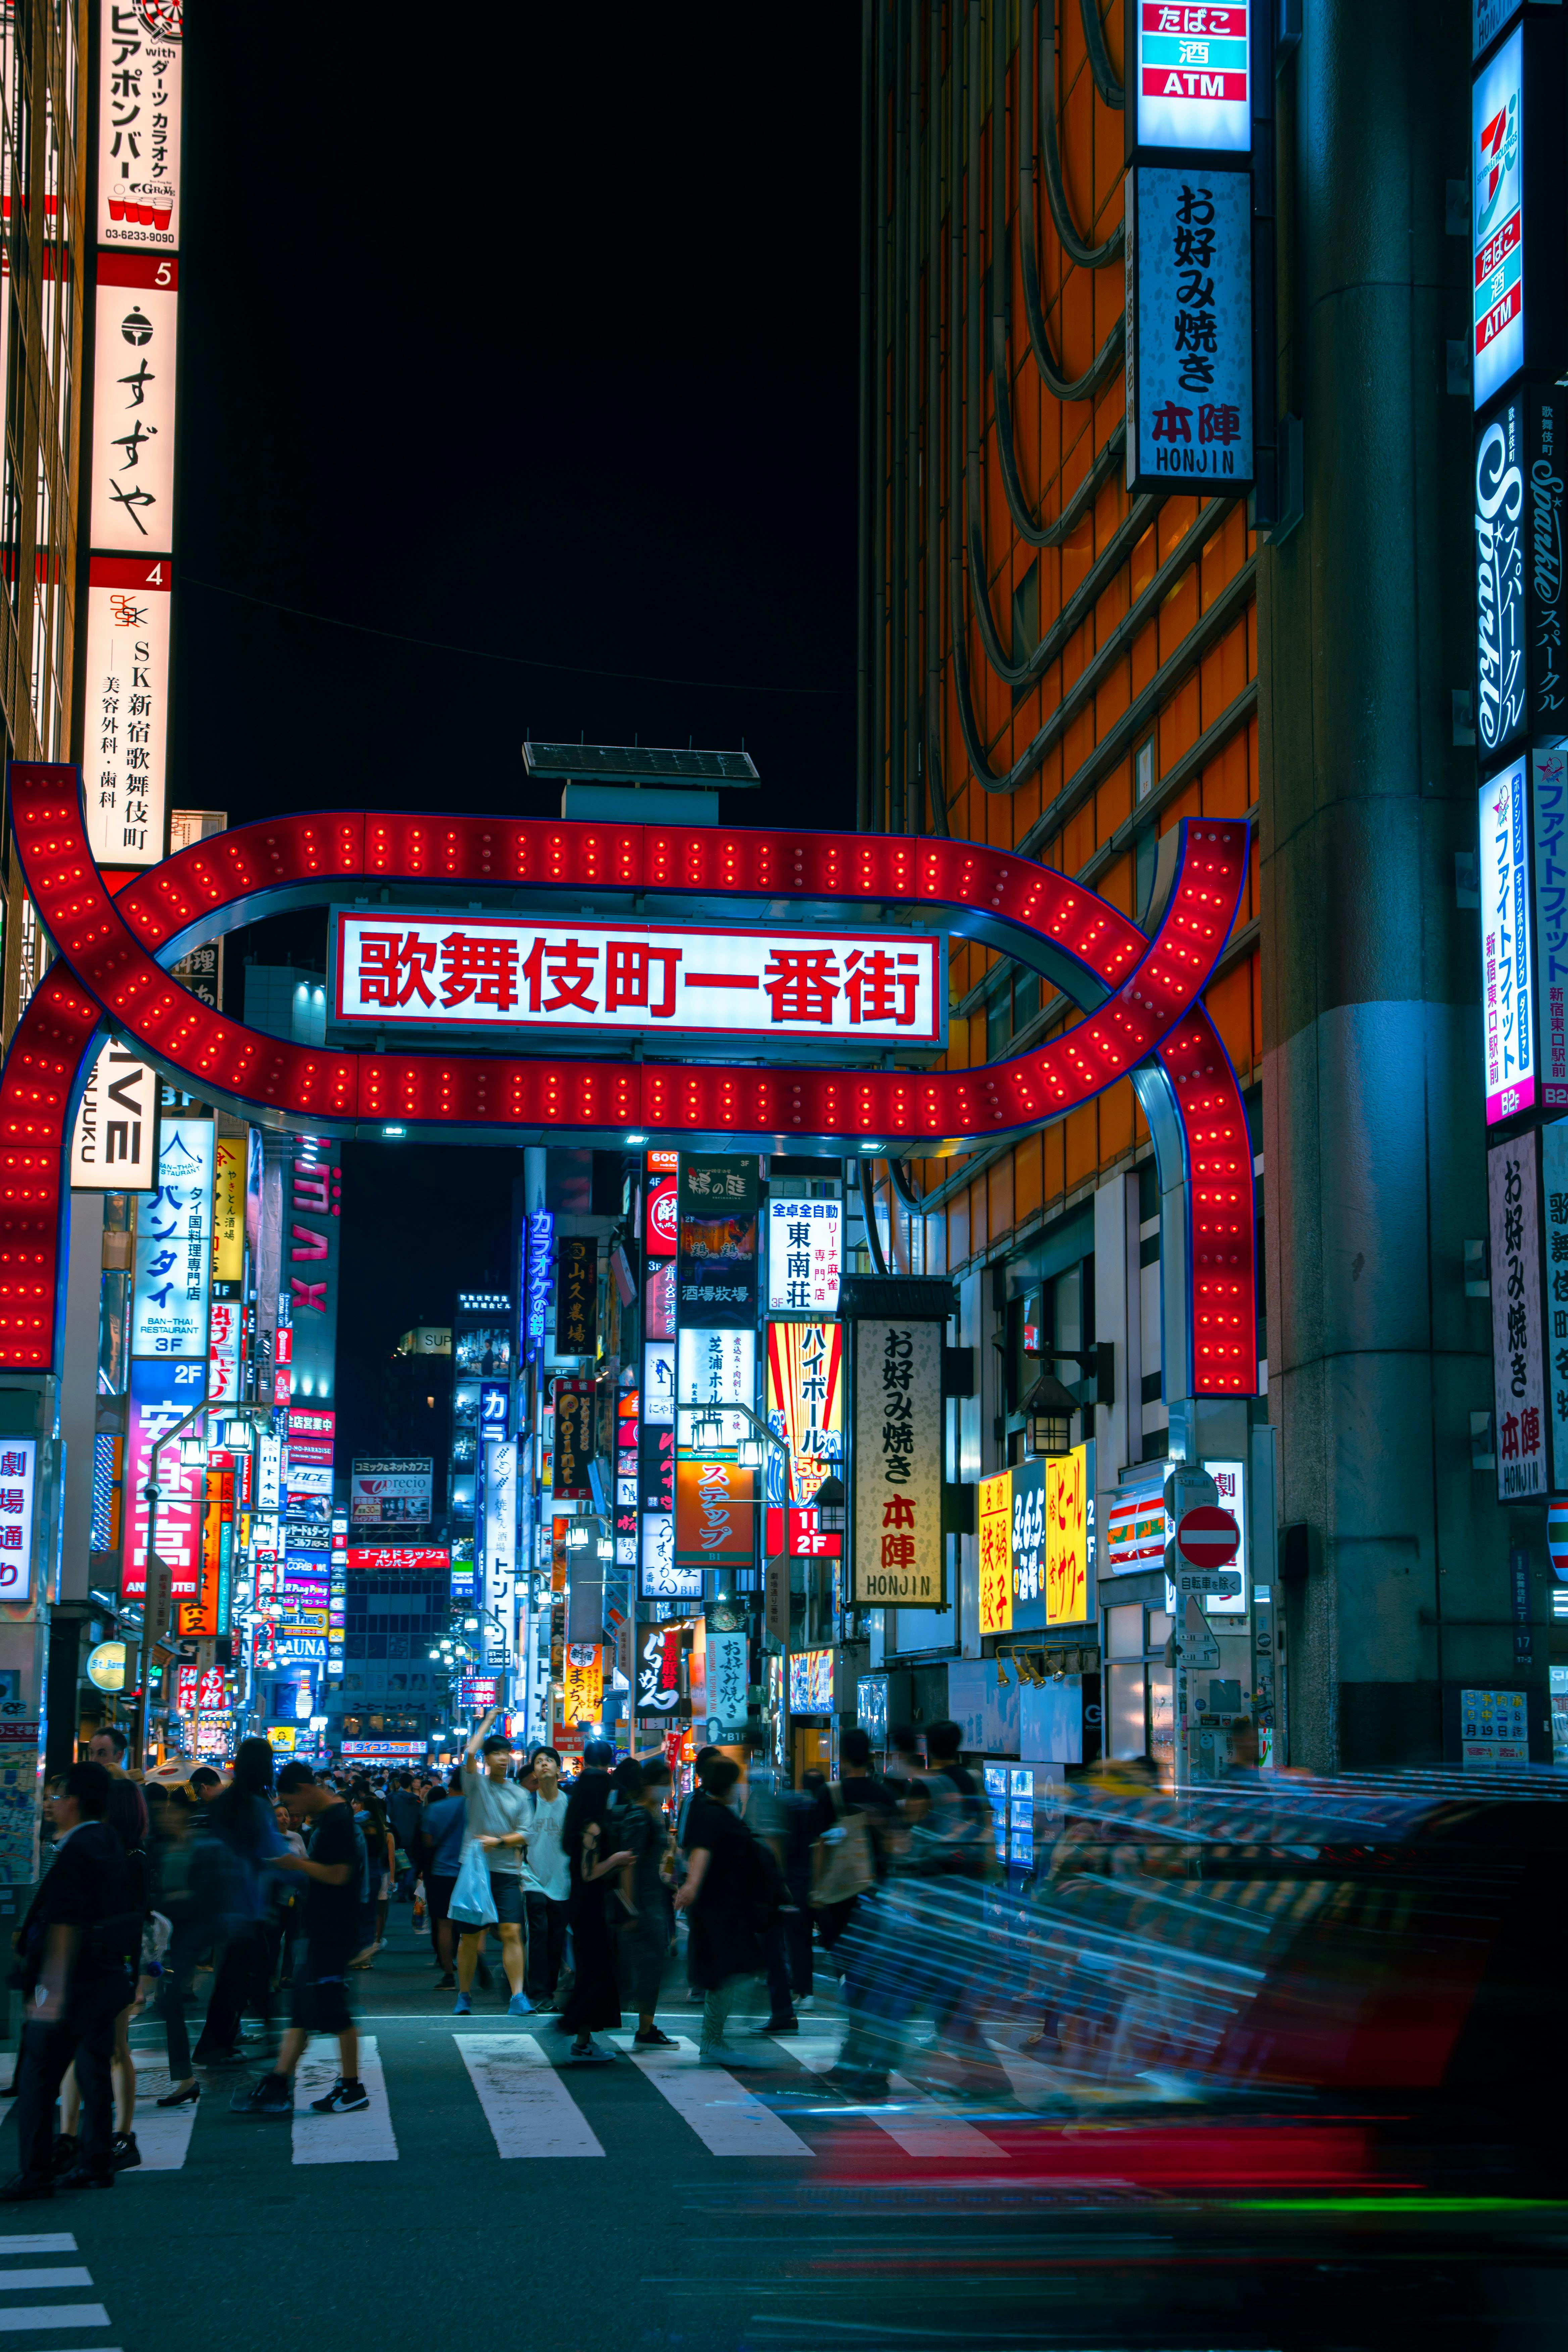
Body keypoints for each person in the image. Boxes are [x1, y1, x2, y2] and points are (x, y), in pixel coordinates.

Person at [2, 1763, 137, 2197]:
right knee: (93, 2065)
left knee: (39, 2075)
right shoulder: (110, 1842)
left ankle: (37, 2173)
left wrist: (51, 1991)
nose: (51, 1803)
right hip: (107, 1976)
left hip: (70, 1981)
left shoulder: (76, 1851)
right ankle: (97, 2162)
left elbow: (66, 1922)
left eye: (56, 1796)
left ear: (74, 1801)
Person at [230, 1763, 370, 2117]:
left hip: (334, 1933)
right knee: (303, 2011)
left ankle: (351, 2087)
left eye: (291, 1800)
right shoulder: (330, 1818)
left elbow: (340, 1874)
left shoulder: (338, 1820)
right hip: (323, 1929)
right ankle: (279, 2082)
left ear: (305, 1789)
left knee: (334, 2012)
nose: (291, 1810)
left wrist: (296, 1865)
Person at [193, 1738, 285, 2063]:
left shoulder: (226, 1800)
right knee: (248, 1977)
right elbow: (272, 1851)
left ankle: (224, 2041)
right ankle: (218, 2045)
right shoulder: (257, 1804)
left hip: (226, 1904)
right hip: (250, 1903)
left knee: (240, 1977)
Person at [675, 1754, 770, 2067]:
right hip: (718, 1908)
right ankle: (714, 2041)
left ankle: (714, 2039)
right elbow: (701, 1851)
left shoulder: (715, 1810)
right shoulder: (711, 1812)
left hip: (727, 1906)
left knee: (732, 1971)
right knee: (729, 1971)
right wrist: (691, 1885)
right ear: (728, 1785)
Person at [454, 1708, 531, 2017]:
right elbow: (469, 1752)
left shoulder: (520, 1794)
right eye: (496, 1753)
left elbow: (526, 1834)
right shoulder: (476, 1784)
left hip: (506, 1872)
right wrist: (487, 1720)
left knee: (512, 1933)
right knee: (471, 1937)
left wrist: (498, 1842)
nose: (502, 1758)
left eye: (506, 1753)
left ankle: (518, 1997)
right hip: (475, 1873)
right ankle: (464, 1995)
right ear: (487, 1759)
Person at [560, 1740, 632, 2061]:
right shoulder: (592, 1828)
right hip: (590, 1906)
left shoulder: (578, 1823)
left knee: (594, 1971)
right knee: (595, 1971)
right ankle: (577, 2033)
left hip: (583, 1904)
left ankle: (582, 2037)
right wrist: (616, 1859)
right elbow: (591, 1873)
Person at [609, 1755, 676, 2046]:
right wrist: (630, 1906)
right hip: (643, 1902)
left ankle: (646, 2027)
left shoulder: (655, 1814)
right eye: (661, 1784)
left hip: (655, 1897)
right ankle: (637, 2026)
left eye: (668, 1783)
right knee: (643, 1967)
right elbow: (629, 1862)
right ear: (647, 1785)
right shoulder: (639, 1815)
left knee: (653, 1966)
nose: (667, 1789)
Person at [519, 1747, 570, 2008]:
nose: (544, 1765)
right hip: (533, 1879)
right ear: (535, 1771)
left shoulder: (569, 1803)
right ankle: (539, 1993)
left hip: (563, 1881)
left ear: (558, 1768)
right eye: (539, 1762)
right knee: (539, 1933)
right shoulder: (527, 1803)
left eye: (549, 1760)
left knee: (556, 1937)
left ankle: (547, 1990)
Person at [420, 1772, 465, 1990]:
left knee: (444, 1926)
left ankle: (449, 1974)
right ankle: (476, 1960)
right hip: (470, 1873)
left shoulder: (435, 1809)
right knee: (473, 1925)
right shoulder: (475, 1808)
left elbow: (428, 1841)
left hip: (441, 1874)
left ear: (451, 1787)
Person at [348, 1778, 395, 1966]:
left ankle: (359, 1953)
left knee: (359, 1914)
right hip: (376, 1874)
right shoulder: (383, 1831)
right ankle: (366, 1953)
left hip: (361, 1874)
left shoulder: (360, 1829)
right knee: (371, 1915)